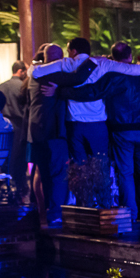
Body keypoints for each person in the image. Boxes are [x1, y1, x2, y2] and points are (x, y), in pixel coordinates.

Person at [45, 41, 140, 222]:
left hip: (122, 130)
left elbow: (93, 92)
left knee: (126, 173)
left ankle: (130, 214)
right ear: (130, 56)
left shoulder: (115, 75)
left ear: (113, 58)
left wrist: (61, 91)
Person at [28, 44, 90, 225]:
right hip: (53, 132)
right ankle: (55, 213)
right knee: (58, 173)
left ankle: (43, 213)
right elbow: (78, 80)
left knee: (42, 173)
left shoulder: (35, 74)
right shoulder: (55, 75)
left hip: (36, 131)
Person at [0, 61, 28, 202]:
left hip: (3, 126)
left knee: (6, 158)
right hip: (19, 126)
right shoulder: (22, 86)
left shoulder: (2, 86)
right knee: (19, 159)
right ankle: (19, 190)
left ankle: (5, 188)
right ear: (21, 71)